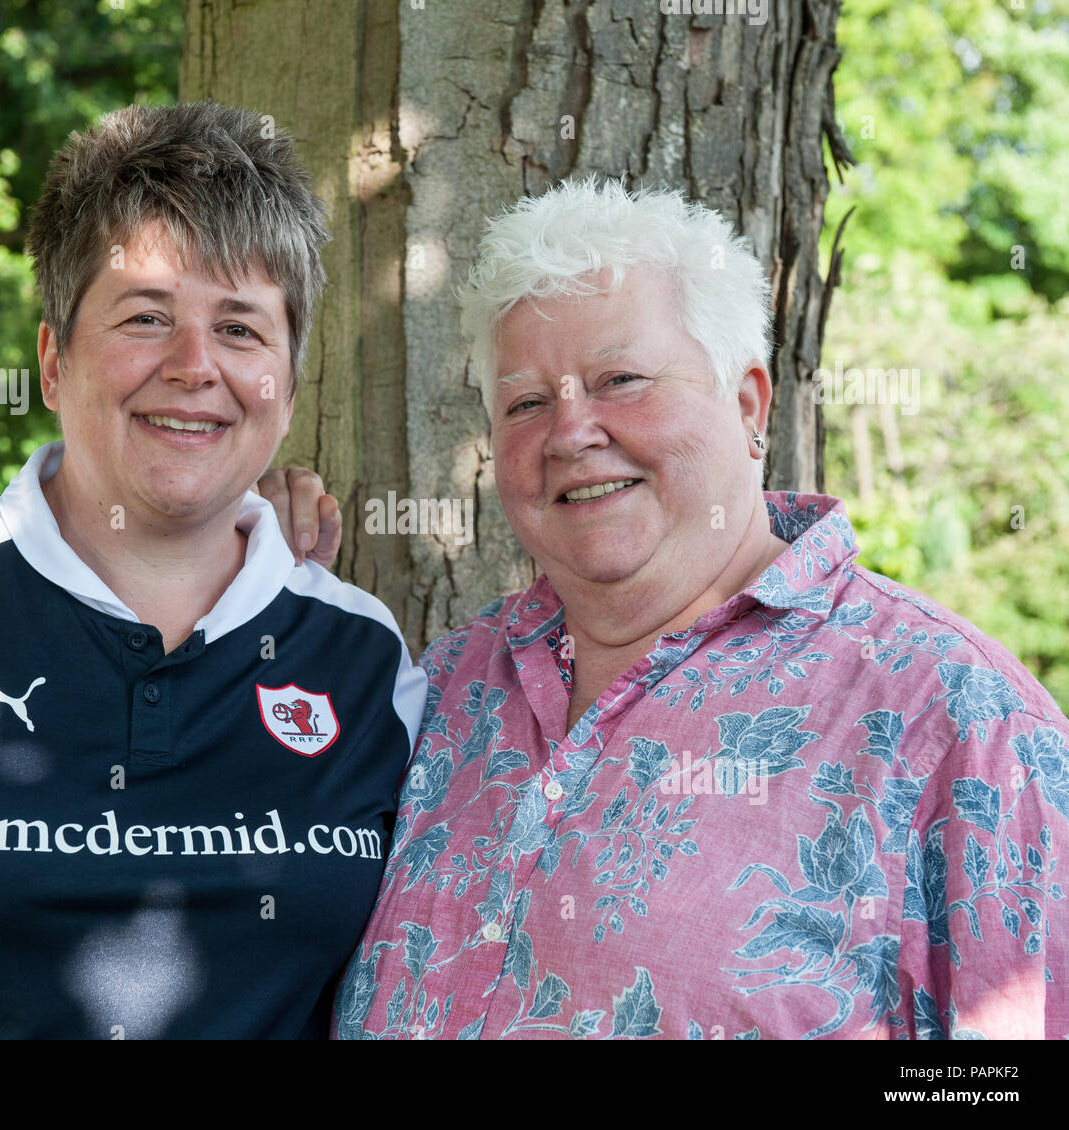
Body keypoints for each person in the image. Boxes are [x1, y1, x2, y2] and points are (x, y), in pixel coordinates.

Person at [263, 178, 1069, 1039]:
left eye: (621, 379)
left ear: (749, 403)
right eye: (527, 402)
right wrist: (246, 583)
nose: (571, 431)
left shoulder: (957, 717)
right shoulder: (450, 684)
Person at [0, 101, 425, 1039]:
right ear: (51, 358)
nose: (195, 366)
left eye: (241, 329)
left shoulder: (367, 658)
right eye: (146, 317)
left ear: (288, 382)